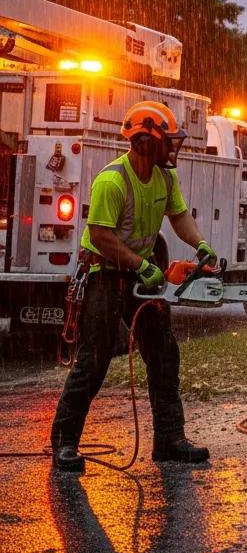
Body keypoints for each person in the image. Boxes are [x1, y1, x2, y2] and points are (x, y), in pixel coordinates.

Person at [50, 100, 217, 471]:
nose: (172, 149)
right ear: (144, 141)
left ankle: (170, 439)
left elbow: (178, 216)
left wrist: (200, 243)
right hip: (104, 273)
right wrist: (143, 265)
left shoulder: (165, 178)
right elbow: (101, 236)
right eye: (166, 142)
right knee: (94, 358)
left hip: (141, 272)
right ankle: (64, 442)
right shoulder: (112, 180)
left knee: (163, 353)